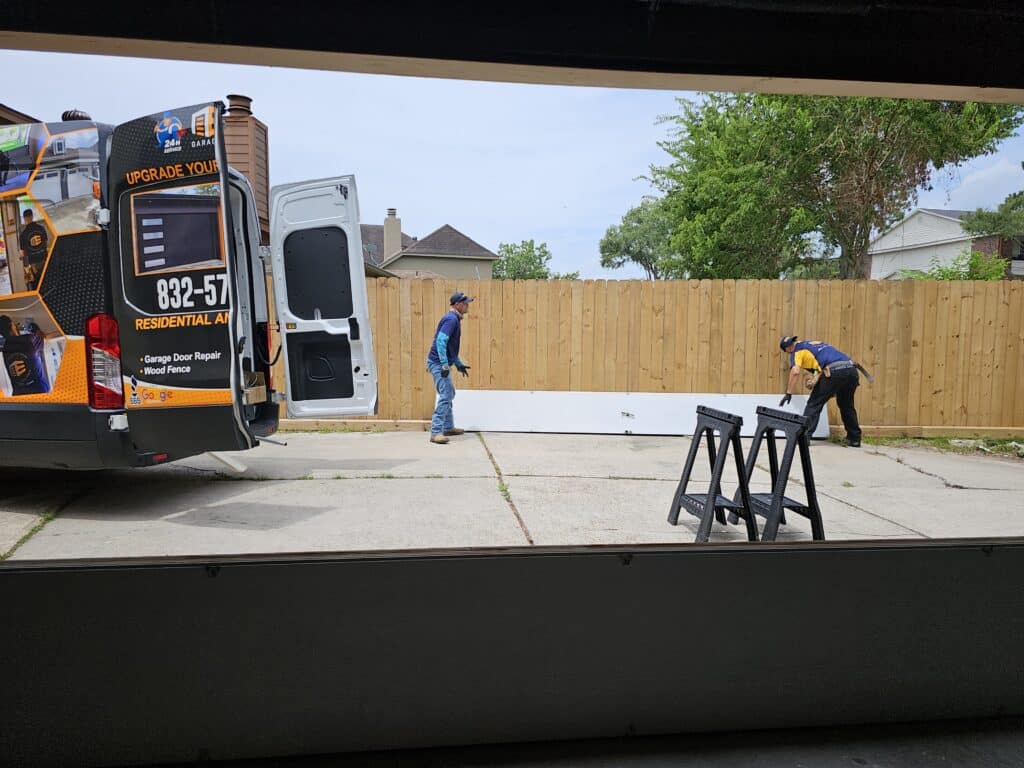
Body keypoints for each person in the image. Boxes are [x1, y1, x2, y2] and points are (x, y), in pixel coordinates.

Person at [778, 335, 864, 447]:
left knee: (814, 404)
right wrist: (814, 378)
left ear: (787, 349)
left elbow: (795, 371)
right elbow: (820, 365)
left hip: (834, 372)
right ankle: (854, 439)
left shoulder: (796, 352)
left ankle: (804, 437)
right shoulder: (814, 344)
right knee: (846, 405)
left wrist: (788, 393)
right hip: (851, 370)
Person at [426, 291, 473, 445]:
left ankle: (448, 427)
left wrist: (458, 364)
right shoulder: (451, 319)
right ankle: (436, 432)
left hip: (441, 362)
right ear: (457, 304)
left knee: (449, 392)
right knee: (446, 395)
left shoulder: (455, 319)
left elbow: (449, 347)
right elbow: (440, 342)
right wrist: (445, 364)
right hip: (438, 363)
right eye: (465, 303)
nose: (468, 305)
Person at [18, 209, 48, 291]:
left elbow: (22, 253)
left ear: (24, 218)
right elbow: (45, 244)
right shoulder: (41, 228)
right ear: (32, 216)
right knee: (47, 284)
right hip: (45, 261)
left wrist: (21, 257)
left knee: (36, 287)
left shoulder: (23, 235)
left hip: (33, 266)